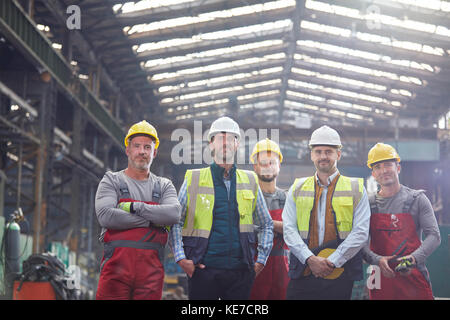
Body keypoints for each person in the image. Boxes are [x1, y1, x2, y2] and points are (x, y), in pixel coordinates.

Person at [169, 116, 274, 300]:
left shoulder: (250, 180)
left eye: (231, 138)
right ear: (211, 144)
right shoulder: (194, 178)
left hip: (240, 273)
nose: (225, 142)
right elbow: (175, 220)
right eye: (220, 138)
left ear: (237, 144)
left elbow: (266, 224)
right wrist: (180, 258)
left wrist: (260, 261)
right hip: (203, 271)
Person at [95, 120, 181, 300]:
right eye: (137, 146)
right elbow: (106, 216)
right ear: (128, 150)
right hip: (115, 273)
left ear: (154, 152)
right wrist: (154, 219)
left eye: (147, 147)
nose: (142, 151)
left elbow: (173, 214)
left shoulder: (164, 185)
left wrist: (134, 207)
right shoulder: (112, 180)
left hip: (151, 274)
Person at [282, 125, 370, 300]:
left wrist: (331, 262)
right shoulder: (297, 187)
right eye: (318, 151)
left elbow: (361, 232)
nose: (323, 156)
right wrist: (311, 260)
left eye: (328, 151)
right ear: (312, 155)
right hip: (304, 270)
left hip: (340, 272)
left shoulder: (356, 188)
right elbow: (289, 229)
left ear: (338, 154)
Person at [362, 142, 441, 300]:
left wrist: (413, 258)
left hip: (413, 275)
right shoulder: (366, 205)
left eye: (387, 165)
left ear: (398, 168)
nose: (383, 170)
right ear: (373, 174)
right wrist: (377, 260)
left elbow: (434, 236)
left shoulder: (417, 199)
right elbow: (359, 242)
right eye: (377, 167)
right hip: (378, 278)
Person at [248, 138, 289, 300]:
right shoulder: (247, 198)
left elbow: (295, 230)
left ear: (279, 165)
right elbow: (244, 229)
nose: (268, 167)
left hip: (283, 266)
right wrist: (280, 227)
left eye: (272, 162)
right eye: (263, 162)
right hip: (255, 265)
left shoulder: (288, 198)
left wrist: (264, 224)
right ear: (255, 166)